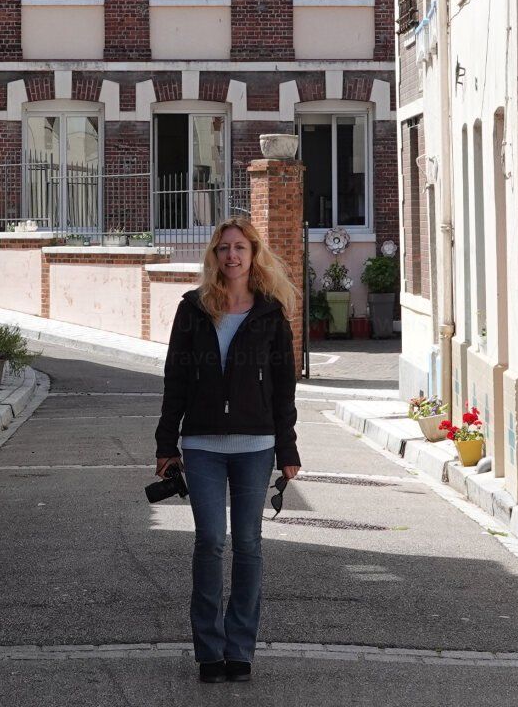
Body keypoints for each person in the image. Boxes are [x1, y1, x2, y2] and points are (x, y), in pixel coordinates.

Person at [155, 215, 301, 684]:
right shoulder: (193, 308)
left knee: (249, 543)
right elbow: (175, 378)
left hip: (256, 444)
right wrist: (166, 442)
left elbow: (283, 387)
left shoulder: (270, 314)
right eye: (224, 248)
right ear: (214, 256)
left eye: (240, 247)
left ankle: (240, 650)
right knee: (211, 540)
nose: (232, 255)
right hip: (201, 443)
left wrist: (287, 449)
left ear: (253, 255)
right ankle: (209, 652)